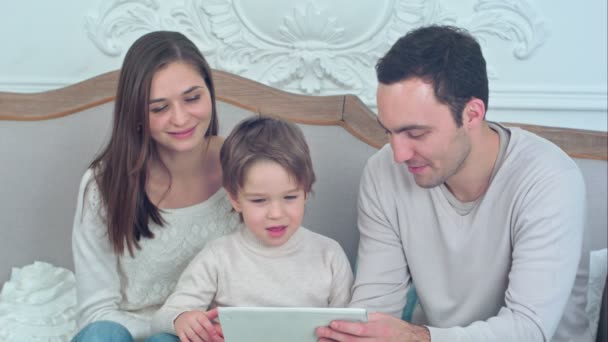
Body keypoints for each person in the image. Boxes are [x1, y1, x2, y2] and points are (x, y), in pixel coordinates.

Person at [316, 25, 591, 341]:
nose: (398, 154)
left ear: (472, 114)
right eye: (388, 132)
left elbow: (528, 329)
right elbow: (377, 308)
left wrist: (415, 337)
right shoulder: (383, 172)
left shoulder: (549, 178)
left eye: (416, 134)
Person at [71, 31, 240, 342]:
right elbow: (96, 313)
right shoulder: (103, 184)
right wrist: (169, 322)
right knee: (100, 334)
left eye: (192, 98)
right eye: (159, 108)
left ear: (210, 94)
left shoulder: (245, 165)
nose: (180, 118)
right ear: (136, 114)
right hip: (123, 328)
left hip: (206, 333)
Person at [150, 116, 354, 341]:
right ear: (235, 199)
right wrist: (183, 319)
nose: (276, 214)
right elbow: (163, 316)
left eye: (289, 197)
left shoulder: (329, 255)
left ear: (305, 191)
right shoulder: (219, 256)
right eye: (259, 200)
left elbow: (351, 326)